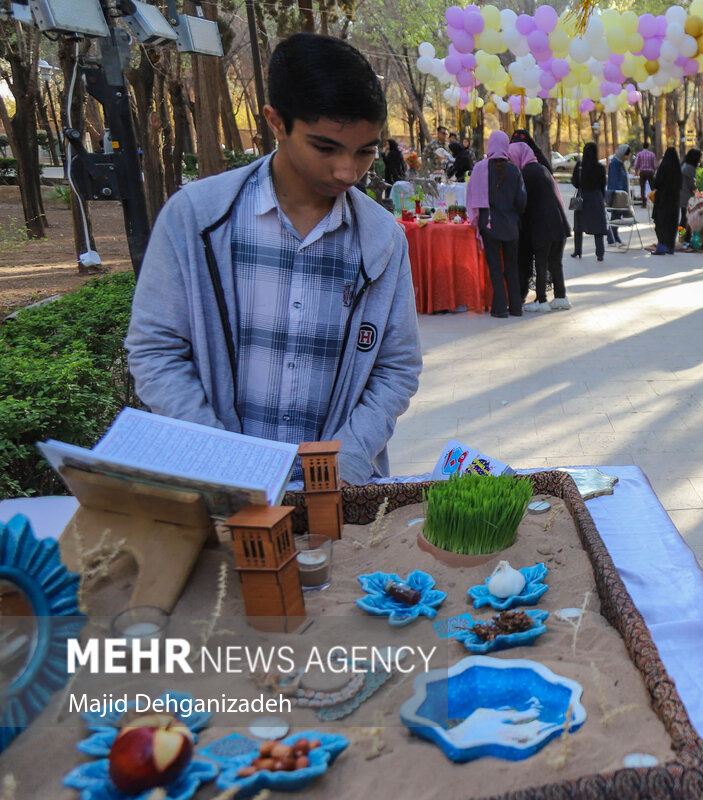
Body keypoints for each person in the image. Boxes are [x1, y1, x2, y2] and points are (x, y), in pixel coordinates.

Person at [125, 33, 421, 485]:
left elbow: (395, 367)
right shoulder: (198, 219)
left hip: (338, 495)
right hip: (217, 489)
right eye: (326, 147)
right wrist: (221, 463)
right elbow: (155, 350)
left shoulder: (382, 240)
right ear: (275, 121)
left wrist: (349, 463)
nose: (348, 170)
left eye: (365, 152)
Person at [467, 130, 527, 318]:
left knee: (495, 268)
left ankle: (500, 308)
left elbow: (471, 197)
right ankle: (516, 307)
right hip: (511, 226)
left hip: (489, 224)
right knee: (511, 267)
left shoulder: (480, 168)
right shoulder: (515, 169)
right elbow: (522, 200)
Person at [510, 141, 571, 312]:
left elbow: (522, 202)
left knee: (542, 263)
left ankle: (541, 300)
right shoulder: (542, 169)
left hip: (543, 226)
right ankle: (561, 297)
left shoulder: (526, 174)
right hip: (559, 224)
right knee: (555, 263)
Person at [570, 141, 608, 261]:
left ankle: (577, 251)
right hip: (596, 198)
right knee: (598, 226)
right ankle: (600, 253)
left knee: (579, 225)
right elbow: (603, 185)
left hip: (583, 198)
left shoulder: (580, 166)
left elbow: (575, 182)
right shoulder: (600, 168)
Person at [649, 146, 682, 255]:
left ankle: (662, 247)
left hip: (663, 200)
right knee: (672, 224)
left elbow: (657, 183)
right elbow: (680, 184)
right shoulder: (678, 168)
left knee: (661, 223)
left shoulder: (663, 166)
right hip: (674, 200)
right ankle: (670, 247)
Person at [605, 143, 631, 245]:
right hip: (617, 195)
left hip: (621, 196)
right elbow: (615, 180)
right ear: (623, 153)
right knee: (615, 217)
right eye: (627, 154)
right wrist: (619, 195)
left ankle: (614, 237)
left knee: (617, 217)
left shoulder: (621, 163)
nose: (628, 156)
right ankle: (611, 238)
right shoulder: (615, 163)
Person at [678, 147, 701, 233]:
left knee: (683, 216)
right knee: (685, 218)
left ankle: (682, 237)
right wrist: (699, 194)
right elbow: (692, 184)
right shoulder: (690, 168)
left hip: (681, 193)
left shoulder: (684, 165)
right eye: (700, 157)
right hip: (685, 195)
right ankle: (682, 236)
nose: (700, 159)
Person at [633, 142, 657, 208]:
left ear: (643, 146)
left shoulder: (639, 154)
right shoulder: (652, 154)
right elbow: (654, 165)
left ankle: (644, 203)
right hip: (650, 172)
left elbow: (636, 163)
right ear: (648, 147)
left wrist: (636, 171)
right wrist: (654, 170)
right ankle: (656, 201)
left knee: (642, 187)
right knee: (653, 187)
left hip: (642, 172)